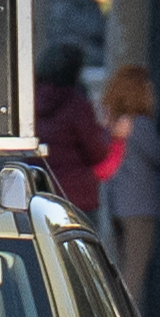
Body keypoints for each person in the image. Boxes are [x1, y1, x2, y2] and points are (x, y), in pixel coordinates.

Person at [98, 62, 160, 317]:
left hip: (116, 203)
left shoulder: (112, 124)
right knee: (135, 271)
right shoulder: (140, 125)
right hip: (140, 206)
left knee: (121, 267)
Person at [38, 40, 115, 215]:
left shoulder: (28, 102)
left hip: (39, 193)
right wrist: (107, 132)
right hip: (76, 196)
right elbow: (97, 153)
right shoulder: (76, 104)